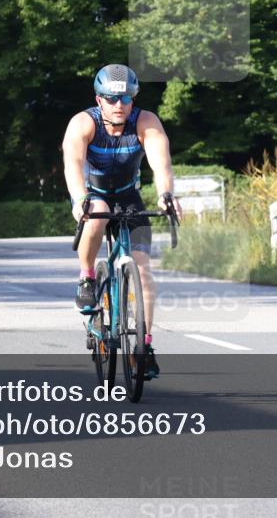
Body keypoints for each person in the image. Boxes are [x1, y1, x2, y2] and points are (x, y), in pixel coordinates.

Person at [62, 64, 182, 380]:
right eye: (111, 99)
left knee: (142, 271)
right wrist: (79, 198)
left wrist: (166, 194)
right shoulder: (83, 123)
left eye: (126, 99)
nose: (119, 106)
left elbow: (161, 162)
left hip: (130, 199)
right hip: (95, 196)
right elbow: (73, 164)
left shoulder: (145, 121)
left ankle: (143, 346)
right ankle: (88, 276)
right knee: (97, 207)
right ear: (98, 99)